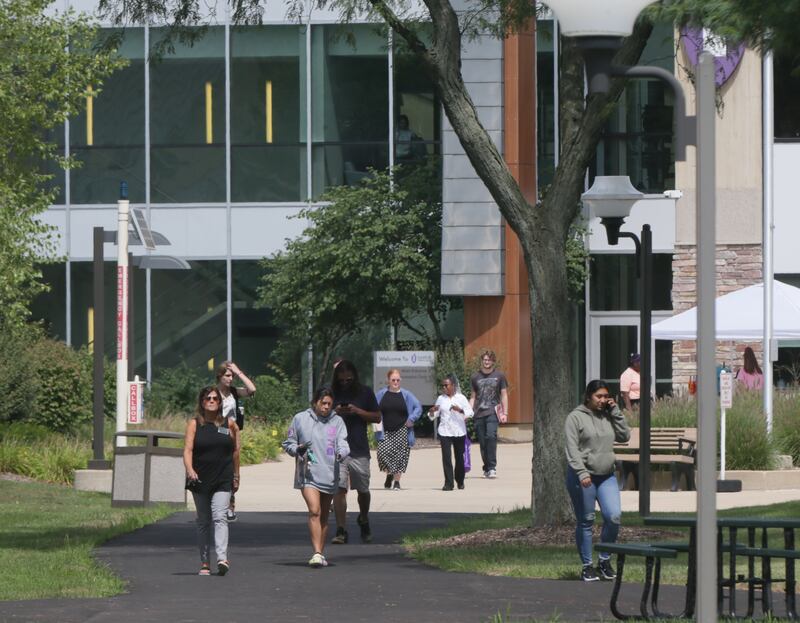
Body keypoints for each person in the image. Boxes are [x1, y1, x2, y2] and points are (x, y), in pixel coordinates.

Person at [564, 380, 630, 583]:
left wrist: (615, 411)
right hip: (583, 476)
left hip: (606, 475)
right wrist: (582, 473)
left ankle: (604, 560)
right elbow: (571, 449)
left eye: (605, 396)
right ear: (588, 396)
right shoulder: (575, 418)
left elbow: (624, 435)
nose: (602, 400)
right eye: (598, 396)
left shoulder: (608, 415)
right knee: (586, 521)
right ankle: (587, 566)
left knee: (614, 516)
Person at [282, 387, 350, 568]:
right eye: (323, 403)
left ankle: (320, 553)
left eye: (329, 404)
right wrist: (298, 449)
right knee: (314, 510)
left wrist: (341, 453)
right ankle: (317, 552)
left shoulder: (337, 422)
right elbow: (289, 443)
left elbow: (343, 443)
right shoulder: (300, 419)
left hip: (329, 473)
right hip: (307, 473)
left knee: (324, 516)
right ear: (315, 402)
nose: (326, 407)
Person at [183, 386, 240, 576]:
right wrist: (190, 469)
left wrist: (236, 476)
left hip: (223, 477)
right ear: (202, 402)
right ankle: (205, 562)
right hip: (199, 478)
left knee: (220, 516)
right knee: (203, 521)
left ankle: (222, 558)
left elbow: (235, 452)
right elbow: (188, 450)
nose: (212, 401)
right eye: (208, 398)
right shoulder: (194, 424)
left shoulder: (229, 424)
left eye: (215, 398)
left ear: (220, 402)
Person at [330, 360, 381, 544]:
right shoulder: (331, 393)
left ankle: (364, 518)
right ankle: (341, 529)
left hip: (358, 448)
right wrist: (334, 412)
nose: (345, 383)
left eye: (348, 380)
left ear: (354, 378)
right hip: (337, 449)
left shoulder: (365, 392)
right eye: (341, 380)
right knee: (339, 489)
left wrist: (358, 411)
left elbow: (377, 416)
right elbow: (318, 414)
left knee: (363, 490)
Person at [216, 361, 256, 522]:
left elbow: (252, 390)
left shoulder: (233, 392)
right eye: (227, 375)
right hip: (218, 434)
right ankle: (218, 506)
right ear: (219, 376)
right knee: (218, 470)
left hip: (233, 435)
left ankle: (230, 506)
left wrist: (239, 372)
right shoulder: (213, 393)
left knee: (233, 471)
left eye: (231, 375)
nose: (230, 378)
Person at [374, 369, 423, 490]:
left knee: (400, 456)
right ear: (388, 380)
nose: (395, 382)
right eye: (393, 380)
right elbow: (373, 407)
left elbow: (418, 407)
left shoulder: (406, 394)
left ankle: (397, 482)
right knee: (382, 454)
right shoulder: (381, 394)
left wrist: (411, 419)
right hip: (385, 430)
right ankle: (389, 474)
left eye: (397, 380)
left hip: (402, 429)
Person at [429, 374, 474, 490]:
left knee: (459, 458)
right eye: (442, 385)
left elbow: (470, 412)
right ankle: (448, 483)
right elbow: (433, 416)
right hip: (445, 431)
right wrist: (432, 412)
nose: (444, 387)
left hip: (459, 431)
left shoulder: (461, 398)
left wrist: (460, 410)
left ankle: (460, 479)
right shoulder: (441, 399)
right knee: (446, 458)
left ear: (453, 385)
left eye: (446, 385)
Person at [469, 349, 508, 479]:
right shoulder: (475, 377)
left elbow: (504, 395)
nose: (486, 362)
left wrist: (505, 413)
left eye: (489, 359)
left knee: (491, 436)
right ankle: (486, 467)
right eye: (484, 359)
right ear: (482, 361)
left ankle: (492, 467)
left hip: (493, 412)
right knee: (483, 442)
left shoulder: (500, 376)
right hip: (479, 413)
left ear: (493, 361)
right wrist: (469, 412)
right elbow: (473, 397)